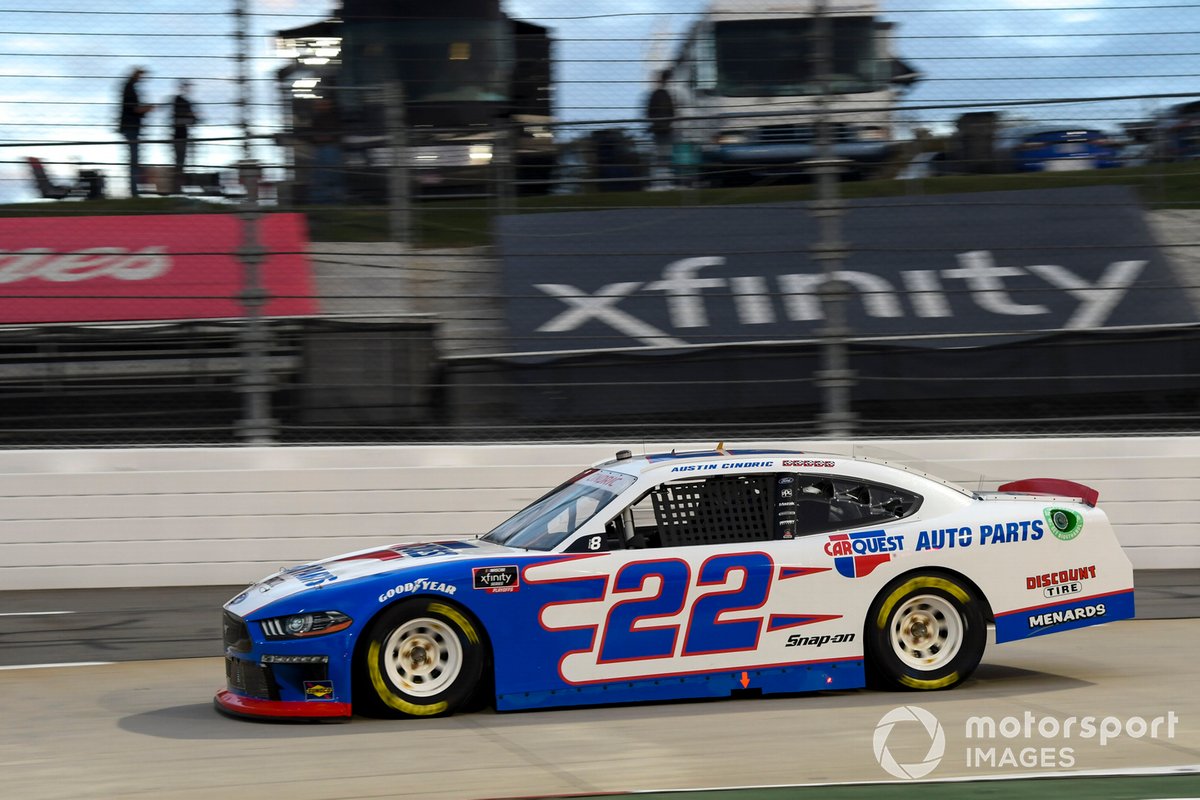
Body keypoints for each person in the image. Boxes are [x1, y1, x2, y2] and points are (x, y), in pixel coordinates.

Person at [117, 67, 153, 197]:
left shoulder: (129, 87)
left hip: (131, 127)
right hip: (131, 127)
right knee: (134, 160)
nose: (142, 78)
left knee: (134, 159)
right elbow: (134, 109)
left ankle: (134, 190)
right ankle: (134, 191)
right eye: (141, 75)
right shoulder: (130, 88)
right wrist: (147, 109)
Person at [645, 69, 676, 189]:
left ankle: (663, 181)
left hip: (662, 129)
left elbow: (650, 112)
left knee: (663, 155)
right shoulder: (661, 94)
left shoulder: (659, 94)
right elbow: (669, 112)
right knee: (663, 155)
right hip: (662, 129)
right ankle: (662, 181)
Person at [170, 80, 198, 194]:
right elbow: (186, 119)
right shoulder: (179, 101)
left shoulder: (184, 102)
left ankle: (177, 187)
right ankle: (177, 187)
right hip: (179, 135)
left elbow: (193, 119)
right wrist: (189, 116)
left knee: (180, 162)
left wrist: (189, 117)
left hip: (182, 135)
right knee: (179, 162)